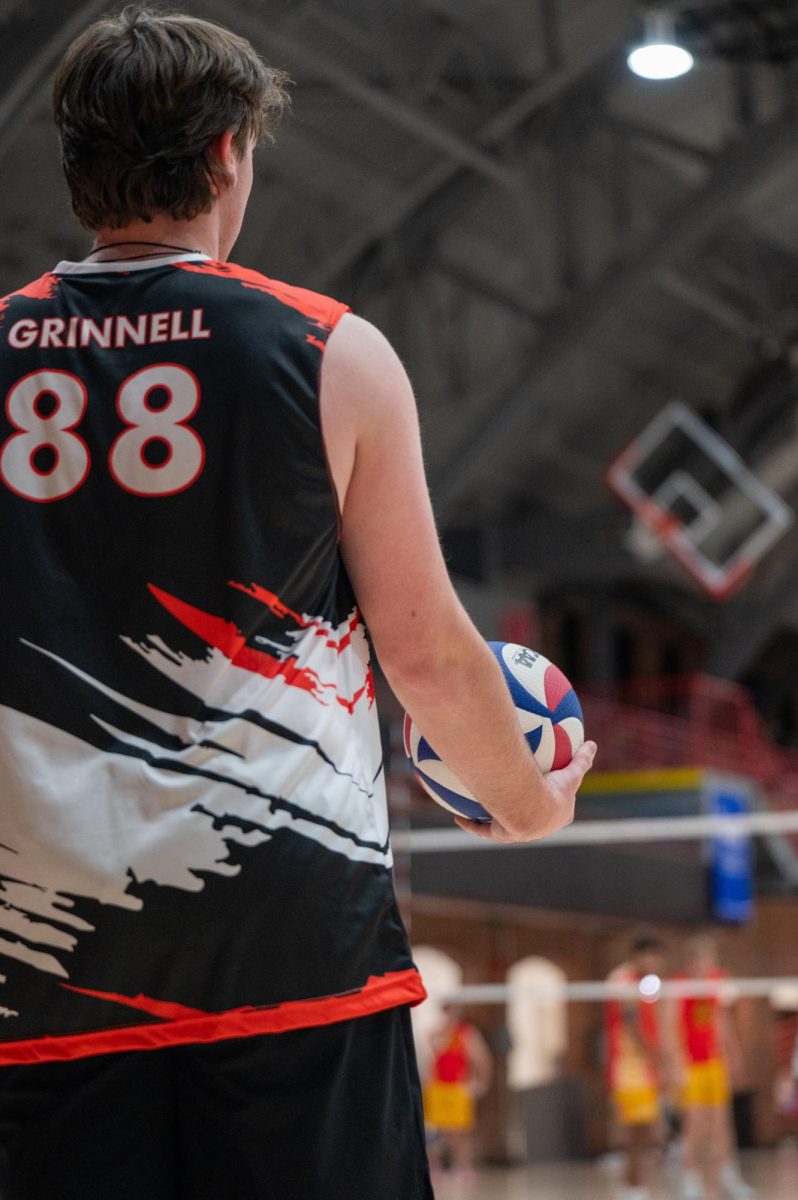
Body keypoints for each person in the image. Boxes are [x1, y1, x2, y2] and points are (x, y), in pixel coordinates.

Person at [0, 7, 596, 1198]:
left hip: (43, 956)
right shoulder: (330, 350)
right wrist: (528, 805)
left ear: (76, 165)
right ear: (230, 153)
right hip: (291, 948)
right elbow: (422, 651)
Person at [668, 935, 755, 1200]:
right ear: (689, 963)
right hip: (691, 1064)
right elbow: (670, 1028)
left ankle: (728, 1176)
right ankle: (689, 1178)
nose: (702, 966)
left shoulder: (716, 980)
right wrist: (676, 1063)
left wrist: (733, 1052)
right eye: (697, 961)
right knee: (694, 1124)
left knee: (721, 1122)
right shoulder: (679, 986)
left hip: (713, 1063)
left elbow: (720, 1020)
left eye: (707, 961)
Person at [605, 934, 667, 1200]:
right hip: (629, 1067)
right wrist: (654, 1055)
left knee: (648, 1130)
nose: (654, 961)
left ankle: (639, 1184)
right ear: (637, 956)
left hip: (645, 1067)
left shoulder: (648, 984)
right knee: (636, 1130)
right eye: (649, 955)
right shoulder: (624, 980)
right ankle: (632, 1186)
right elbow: (632, 1024)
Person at [423, 1003, 493, 1180]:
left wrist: (480, 1083)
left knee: (460, 1131)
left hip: (458, 1087)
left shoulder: (467, 1034)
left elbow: (482, 1059)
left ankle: (462, 1167)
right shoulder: (435, 1034)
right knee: (433, 1131)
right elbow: (427, 1060)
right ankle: (434, 1167)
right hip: (437, 1088)